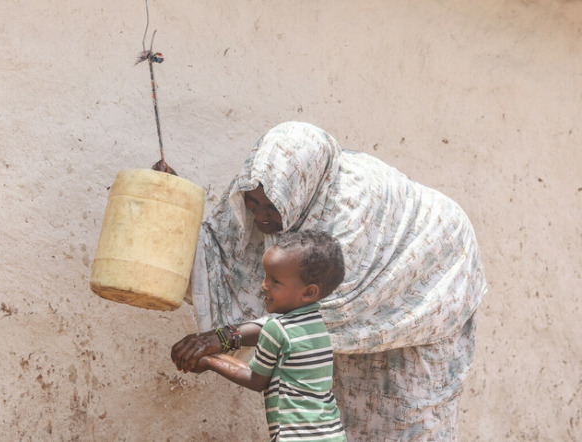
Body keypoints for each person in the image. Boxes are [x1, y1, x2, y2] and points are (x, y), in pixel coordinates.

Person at [170, 121, 487, 441]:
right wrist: (167, 206)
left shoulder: (349, 217)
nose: (261, 217)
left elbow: (306, 321)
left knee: (401, 407)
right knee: (344, 387)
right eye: (253, 204)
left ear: (299, 192)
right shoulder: (269, 191)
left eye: (271, 207)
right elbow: (224, 256)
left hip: (433, 275)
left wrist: (221, 340)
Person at [182, 230, 347, 442]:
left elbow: (256, 379)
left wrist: (208, 362)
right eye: (266, 276)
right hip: (331, 433)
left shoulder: (276, 330)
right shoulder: (317, 326)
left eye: (275, 281)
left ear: (308, 292)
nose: (264, 285)